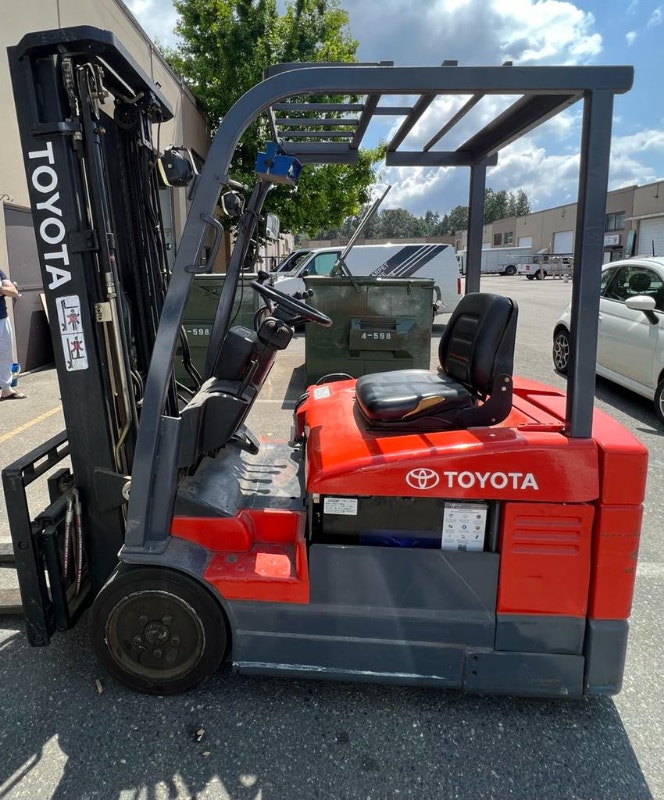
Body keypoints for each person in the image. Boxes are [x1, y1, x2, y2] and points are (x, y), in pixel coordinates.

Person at [0, 268, 27, 400]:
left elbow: (13, 291)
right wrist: (2, 289)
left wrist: (3, 289)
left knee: (5, 354)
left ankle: (6, 389)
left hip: (2, 318)